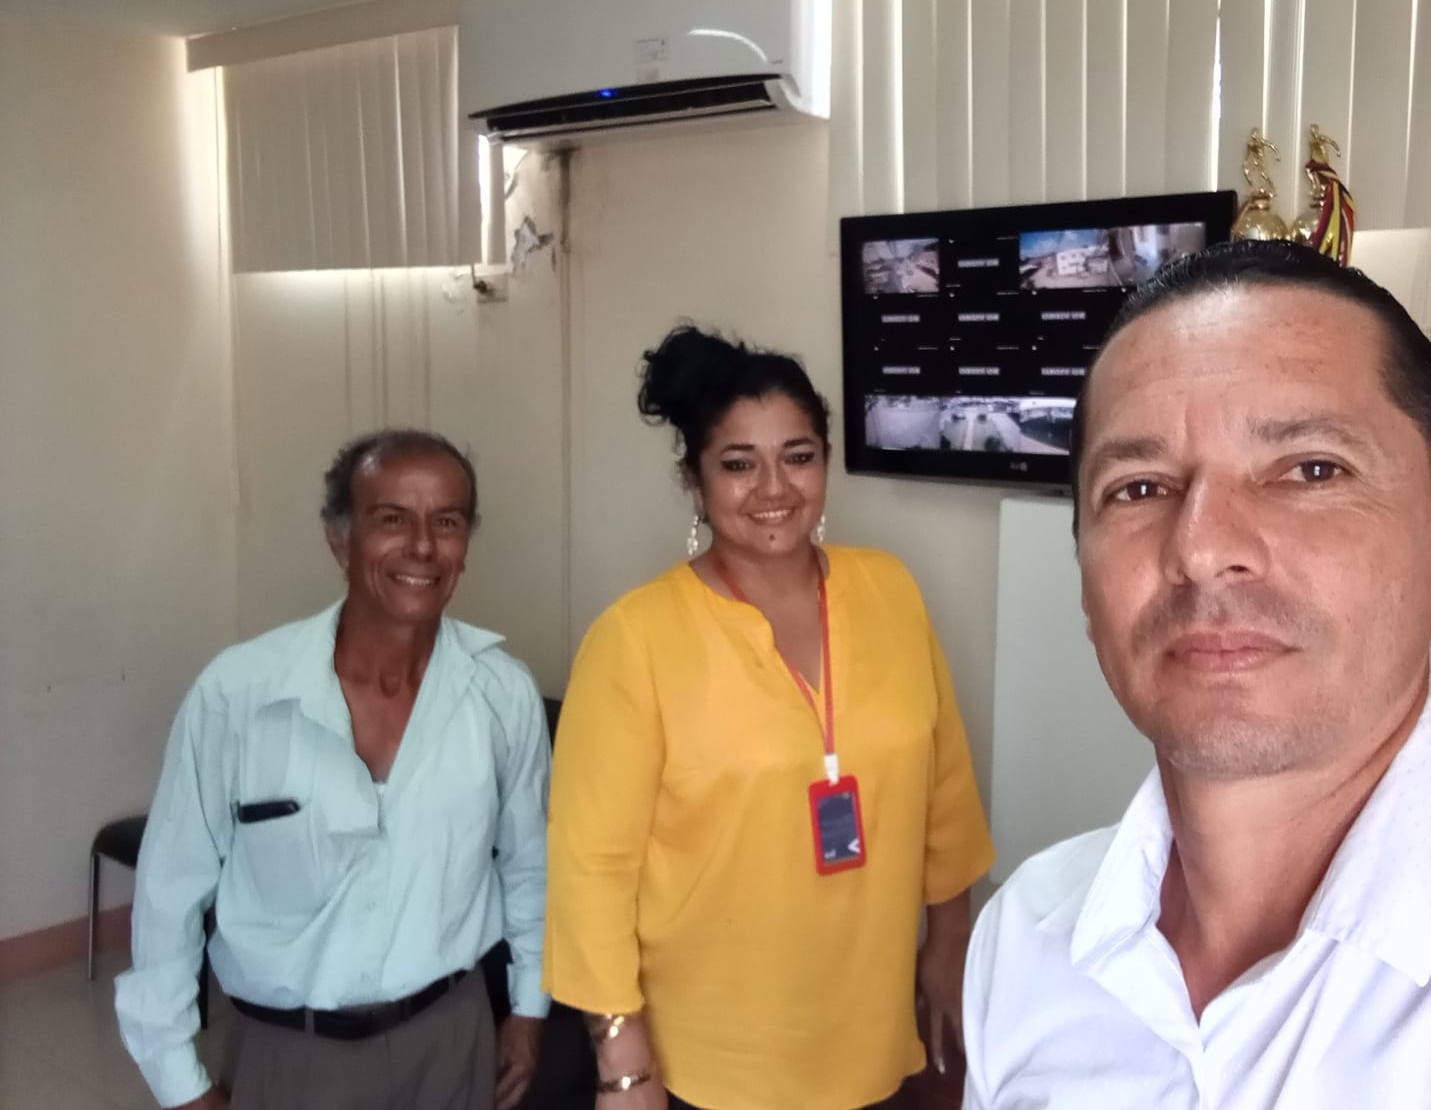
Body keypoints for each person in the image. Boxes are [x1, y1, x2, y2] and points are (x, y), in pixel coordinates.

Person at [962, 240, 1431, 1107]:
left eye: (1310, 470)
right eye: (1139, 488)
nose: (1201, 549)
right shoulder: (1025, 937)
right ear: (1084, 581)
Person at [545, 325, 995, 1110]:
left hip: (868, 1028)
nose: (773, 488)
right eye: (738, 464)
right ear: (694, 481)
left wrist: (950, 936)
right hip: (709, 1056)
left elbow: (945, 784)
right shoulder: (635, 638)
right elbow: (592, 868)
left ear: (825, 461)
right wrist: (621, 1057)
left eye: (797, 456)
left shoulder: (889, 589)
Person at [115, 429, 551, 1110]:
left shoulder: (502, 693)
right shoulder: (240, 695)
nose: (423, 546)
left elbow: (530, 865)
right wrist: (177, 1081)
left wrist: (528, 1007)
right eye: (392, 519)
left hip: (452, 1040)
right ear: (340, 540)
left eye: (447, 522)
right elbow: (170, 892)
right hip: (293, 1056)